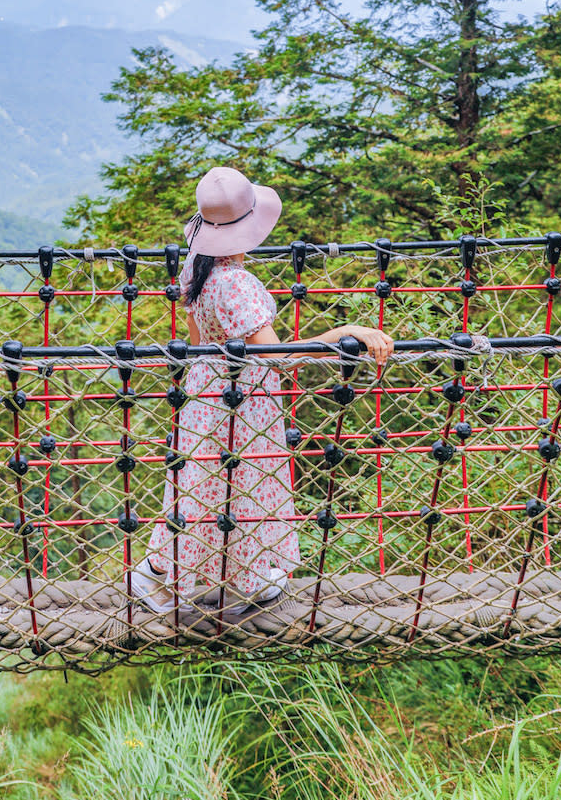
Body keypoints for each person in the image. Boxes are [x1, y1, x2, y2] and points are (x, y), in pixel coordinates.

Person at [131, 165, 393, 615]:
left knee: (203, 484)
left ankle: (195, 576)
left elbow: (198, 341)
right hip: (243, 399)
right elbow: (279, 359)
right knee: (238, 484)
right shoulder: (237, 283)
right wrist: (345, 331)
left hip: (206, 393)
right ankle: (194, 578)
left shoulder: (197, 269)